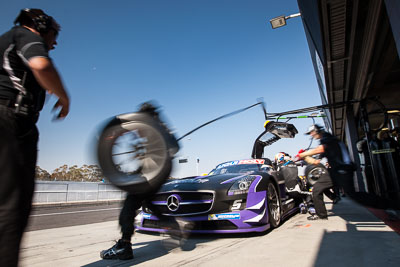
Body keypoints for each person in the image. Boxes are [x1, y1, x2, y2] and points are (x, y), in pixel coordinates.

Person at [0, 8, 70, 266]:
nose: (55, 41)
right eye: (54, 33)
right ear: (40, 26)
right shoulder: (24, 36)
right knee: (12, 209)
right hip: (11, 122)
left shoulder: (8, 41)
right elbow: (41, 64)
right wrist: (64, 97)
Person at [297, 124, 353, 220]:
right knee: (319, 188)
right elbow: (318, 160)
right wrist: (307, 158)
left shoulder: (326, 137)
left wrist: (303, 154)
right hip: (340, 170)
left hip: (340, 170)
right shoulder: (328, 138)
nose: (311, 135)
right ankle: (330, 203)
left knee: (317, 190)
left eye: (312, 132)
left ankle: (322, 214)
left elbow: (320, 149)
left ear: (317, 131)